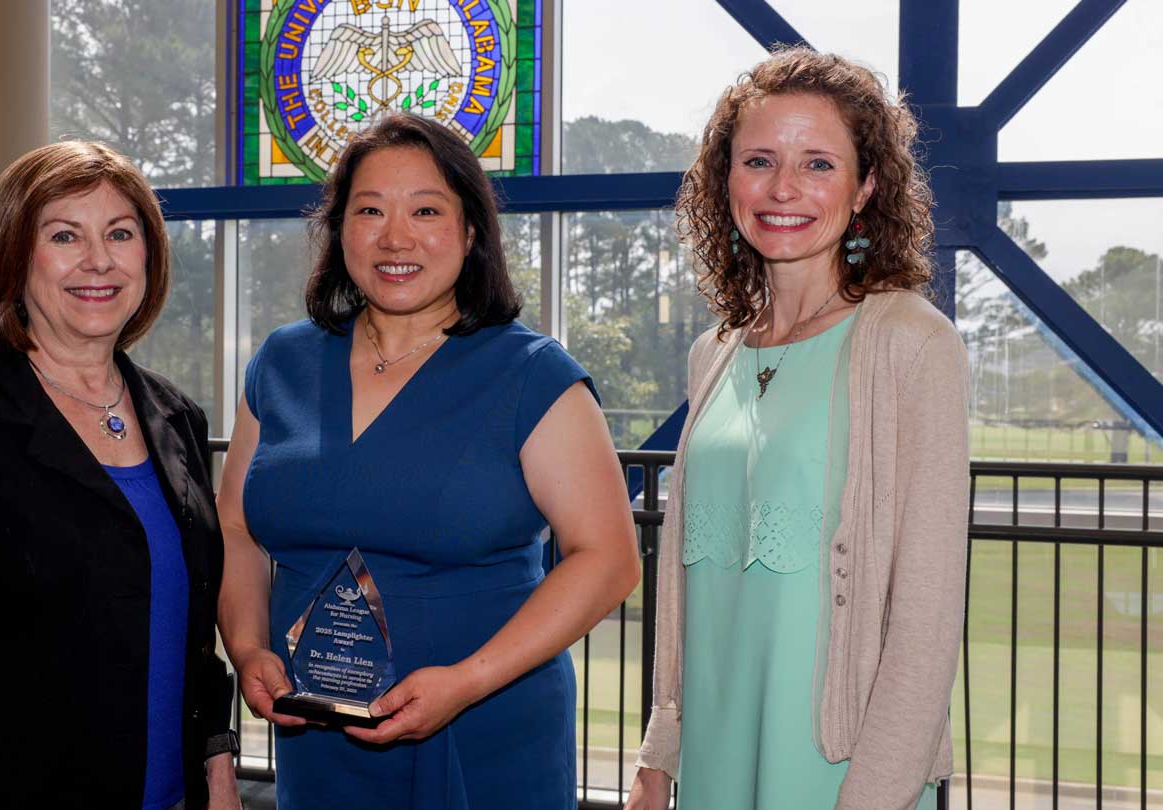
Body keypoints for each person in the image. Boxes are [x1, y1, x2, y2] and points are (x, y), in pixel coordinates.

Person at [214, 112, 640, 809]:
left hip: (482, 735)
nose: (395, 237)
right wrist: (248, 644)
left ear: (471, 232)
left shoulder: (531, 374)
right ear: (339, 228)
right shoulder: (283, 362)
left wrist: (467, 681)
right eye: (370, 210)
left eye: (426, 210)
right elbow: (237, 528)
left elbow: (608, 559)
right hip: (319, 740)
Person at [625, 48, 968, 810]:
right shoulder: (712, 353)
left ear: (866, 186)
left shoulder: (911, 342)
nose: (784, 188)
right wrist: (660, 757)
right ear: (726, 180)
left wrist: (873, 797)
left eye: (818, 163)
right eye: (759, 160)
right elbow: (684, 591)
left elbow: (927, 617)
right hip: (714, 754)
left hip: (834, 769)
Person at [0, 141, 240, 810]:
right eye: (65, 235)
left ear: (148, 256)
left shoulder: (176, 416)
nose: (99, 259)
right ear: (14, 258)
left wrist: (216, 764)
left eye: (120, 234)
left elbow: (192, 630)